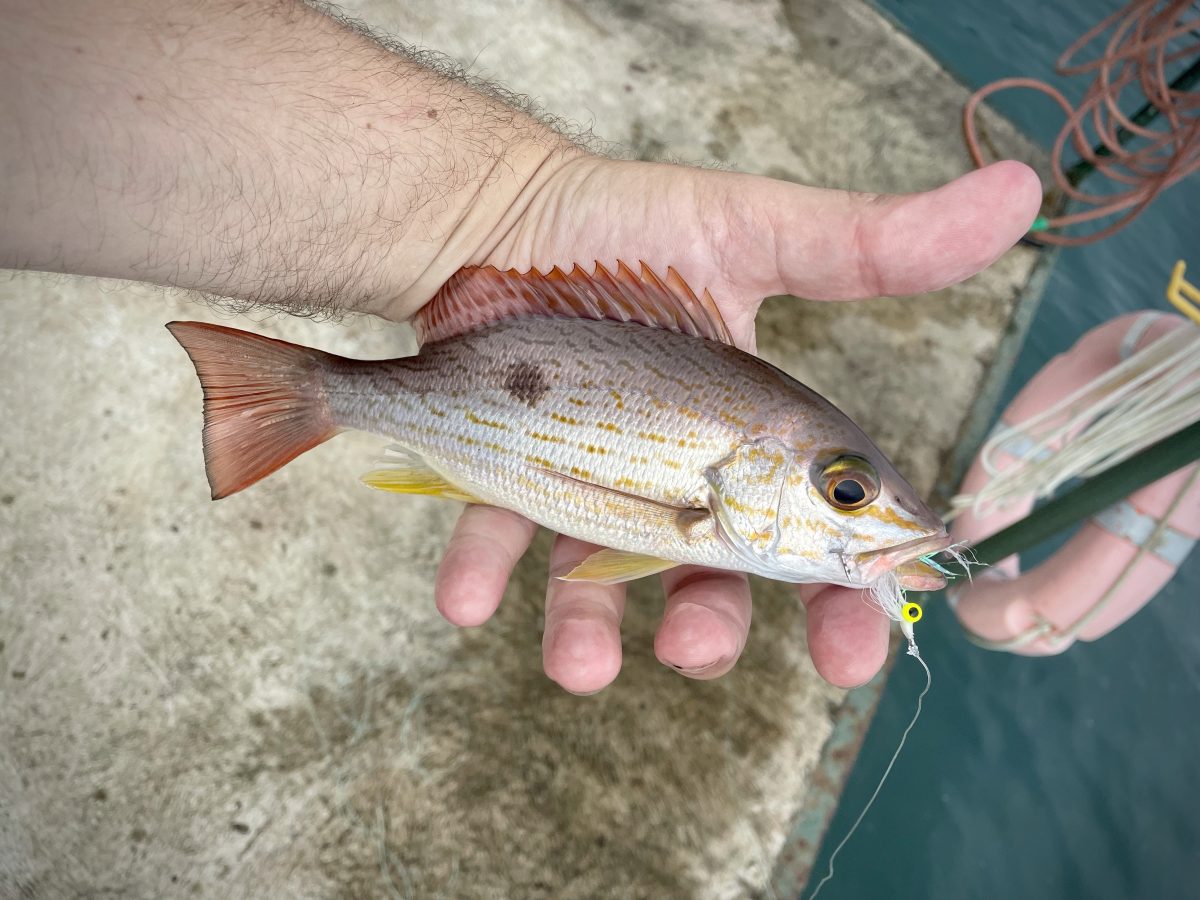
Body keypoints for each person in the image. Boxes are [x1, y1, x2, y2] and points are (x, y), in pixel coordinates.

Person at [0, 0, 1042, 694]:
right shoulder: (705, 505)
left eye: (850, 495)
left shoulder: (720, 508)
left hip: (496, 415)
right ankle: (311, 395)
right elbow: (638, 528)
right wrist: (480, 213)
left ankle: (313, 396)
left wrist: (482, 208)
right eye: (847, 492)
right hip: (495, 389)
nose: (863, 516)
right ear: (764, 468)